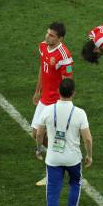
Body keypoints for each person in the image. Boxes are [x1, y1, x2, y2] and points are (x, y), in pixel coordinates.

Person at [35, 78, 93, 206]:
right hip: (73, 158)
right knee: (75, 184)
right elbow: (87, 139)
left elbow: (39, 133)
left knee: (52, 193)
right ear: (73, 93)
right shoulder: (80, 113)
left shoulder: (47, 110)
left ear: (59, 92)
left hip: (53, 158)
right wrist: (89, 155)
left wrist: (39, 149)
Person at [31, 22, 73, 186]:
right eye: (47, 33)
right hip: (44, 99)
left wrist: (64, 105)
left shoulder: (64, 55)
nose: (47, 37)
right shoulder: (42, 47)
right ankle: (63, 158)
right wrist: (37, 91)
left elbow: (68, 82)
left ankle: (54, 173)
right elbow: (43, 68)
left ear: (60, 38)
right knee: (36, 134)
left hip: (56, 102)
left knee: (51, 136)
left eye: (51, 35)